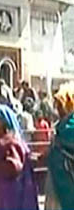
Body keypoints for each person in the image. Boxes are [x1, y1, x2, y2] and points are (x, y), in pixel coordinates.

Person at [0, 103, 39, 210]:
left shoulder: (11, 143)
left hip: (11, 198)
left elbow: (14, 167)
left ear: (2, 120)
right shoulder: (1, 142)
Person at [45, 81, 74, 210]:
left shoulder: (68, 128)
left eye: (61, 105)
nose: (58, 109)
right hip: (57, 185)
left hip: (66, 188)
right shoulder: (61, 127)